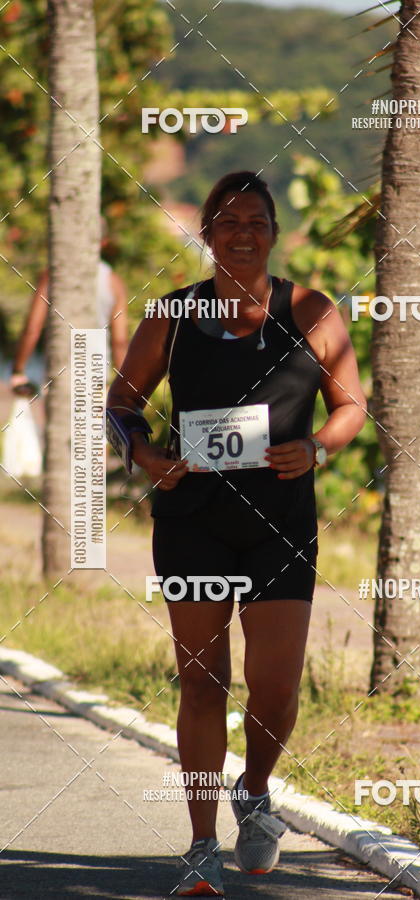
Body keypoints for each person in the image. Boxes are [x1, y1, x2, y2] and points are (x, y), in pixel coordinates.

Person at [106, 171, 366, 897]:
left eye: (256, 221)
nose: (242, 233)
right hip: (193, 521)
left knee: (276, 687)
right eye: (228, 222)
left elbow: (351, 408)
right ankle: (198, 844)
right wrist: (147, 455)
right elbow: (121, 403)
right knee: (201, 678)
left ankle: (254, 791)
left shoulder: (311, 310)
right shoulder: (172, 316)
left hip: (280, 522)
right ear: (208, 235)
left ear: (274, 234)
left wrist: (316, 447)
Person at [10, 226, 128, 391]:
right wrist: (125, 389)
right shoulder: (114, 282)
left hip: (59, 375)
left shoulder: (54, 274)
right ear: (103, 242)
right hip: (97, 375)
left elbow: (32, 327)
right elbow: (119, 342)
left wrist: (18, 369)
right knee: (90, 416)